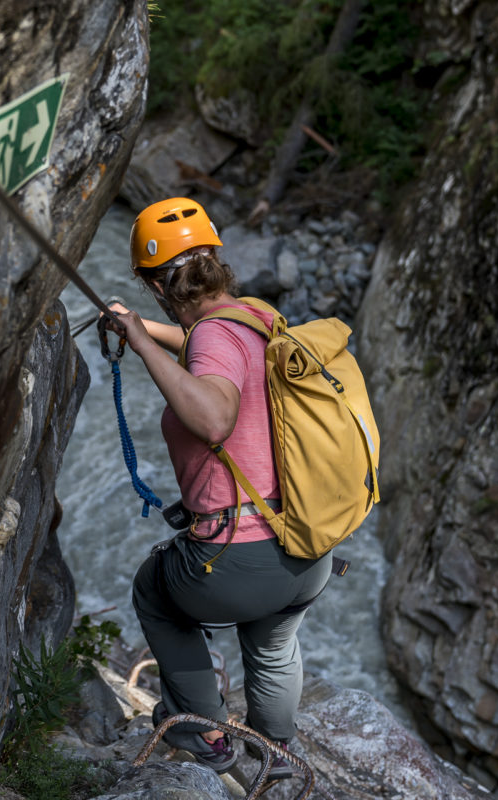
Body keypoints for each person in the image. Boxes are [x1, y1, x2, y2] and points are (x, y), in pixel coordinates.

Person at [104, 197, 332, 775]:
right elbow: (208, 345)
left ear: (159, 286)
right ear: (216, 263)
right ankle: (278, 755)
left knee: (155, 590)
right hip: (306, 551)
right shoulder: (255, 317)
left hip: (238, 564)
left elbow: (212, 418)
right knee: (273, 644)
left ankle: (205, 739)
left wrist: (142, 341)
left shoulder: (211, 340)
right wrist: (138, 332)